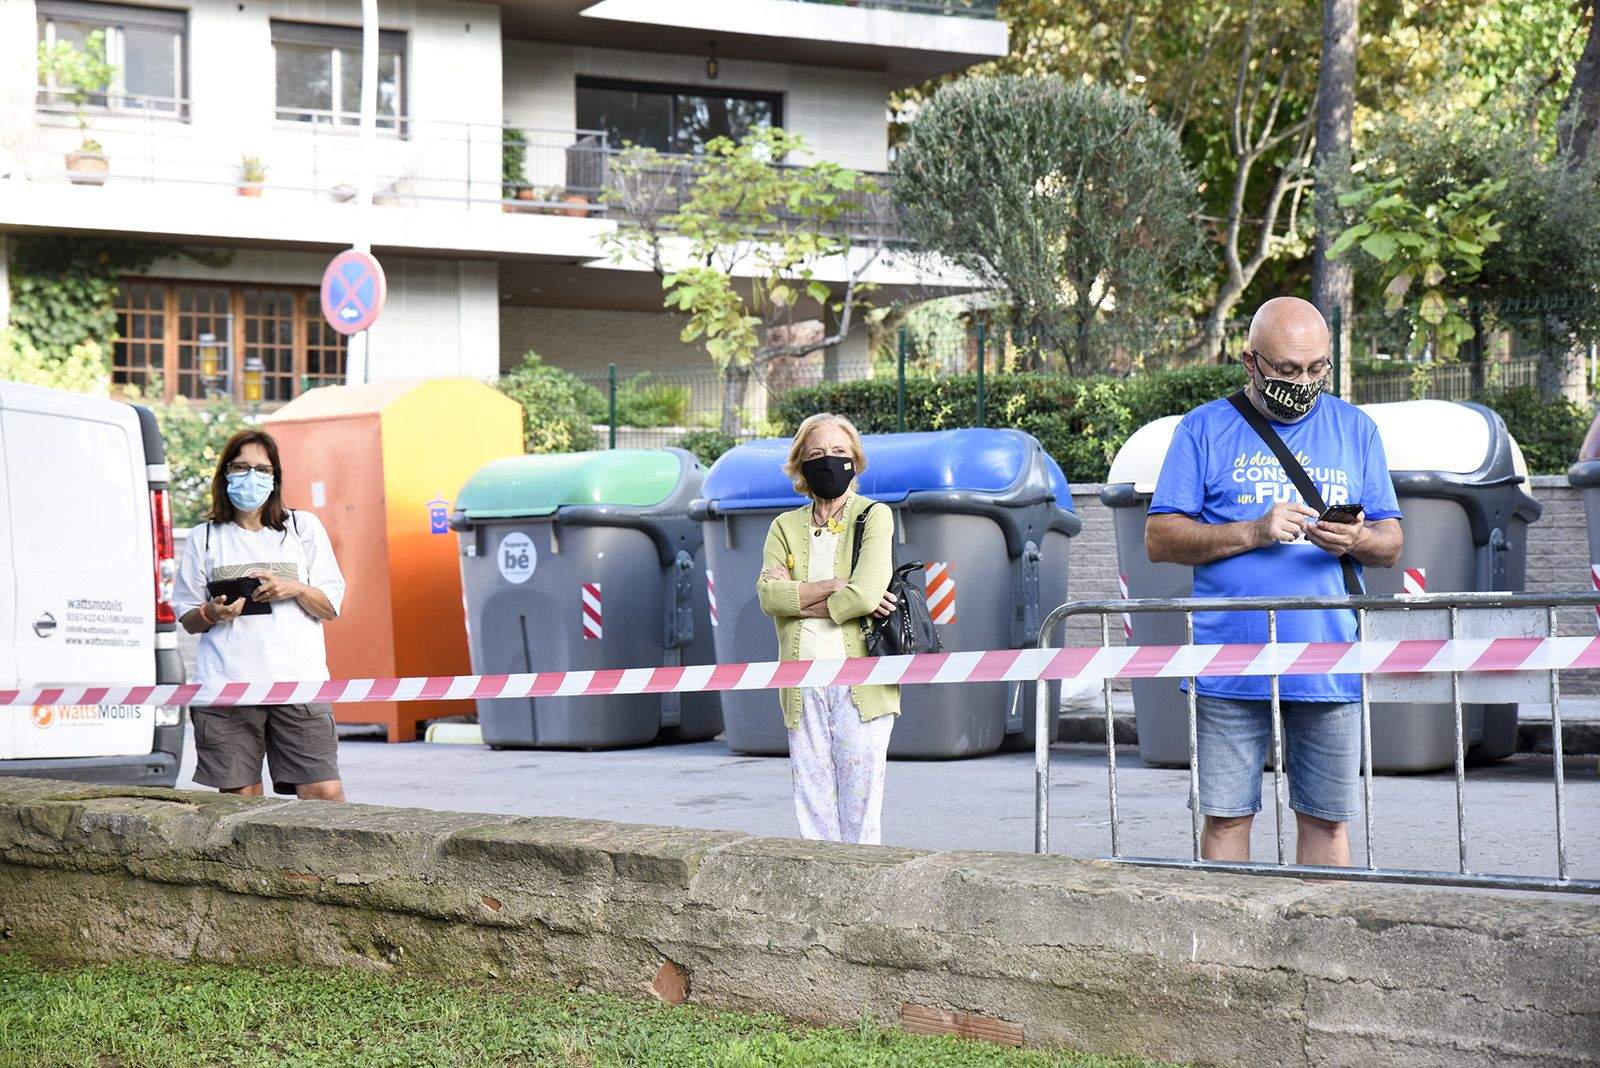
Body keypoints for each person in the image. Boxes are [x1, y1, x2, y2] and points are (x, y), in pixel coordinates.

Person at [1145, 297, 1403, 866]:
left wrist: (1355, 540)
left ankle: (1318, 952)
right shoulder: (1204, 428)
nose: (1304, 382)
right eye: (1287, 370)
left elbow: (1390, 543)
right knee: (1227, 816)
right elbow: (1160, 538)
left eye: (1317, 369)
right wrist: (1253, 532)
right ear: (1250, 362)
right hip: (1228, 661)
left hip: (1328, 659)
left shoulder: (1355, 429)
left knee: (1328, 822)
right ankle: (1225, 956)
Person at [173, 429, 348, 801]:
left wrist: (295, 588)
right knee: (240, 802)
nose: (251, 476)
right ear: (225, 474)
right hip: (227, 686)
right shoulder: (205, 537)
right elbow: (187, 617)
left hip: (298, 683)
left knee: (324, 795)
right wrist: (211, 612)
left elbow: (331, 606)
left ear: (275, 477)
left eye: (262, 469)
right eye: (241, 467)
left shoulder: (303, 528)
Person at [757, 413, 899, 845]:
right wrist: (835, 586)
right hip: (801, 682)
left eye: (839, 452)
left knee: (860, 808)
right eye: (816, 454)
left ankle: (865, 899)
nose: (829, 461)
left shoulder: (874, 516)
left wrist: (798, 598)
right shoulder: (784, 526)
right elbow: (768, 599)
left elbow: (865, 593)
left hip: (861, 683)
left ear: (855, 460)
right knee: (813, 805)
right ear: (800, 465)